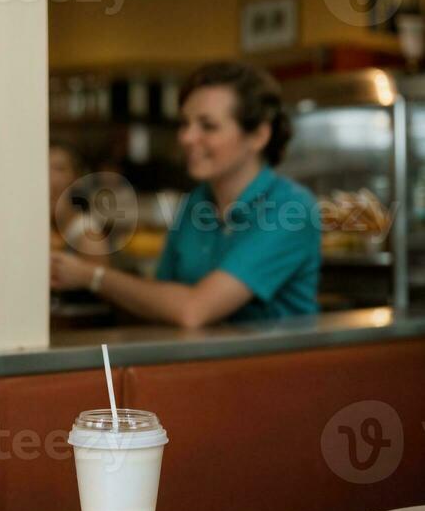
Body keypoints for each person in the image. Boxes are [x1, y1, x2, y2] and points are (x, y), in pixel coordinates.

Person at [51, 62, 320, 326]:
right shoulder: (196, 202)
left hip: (277, 367)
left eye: (207, 126)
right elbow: (157, 302)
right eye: (185, 123)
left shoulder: (291, 208)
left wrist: (93, 276)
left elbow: (193, 311)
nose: (186, 137)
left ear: (259, 135)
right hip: (203, 365)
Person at [49, 141, 111, 265]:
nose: (51, 175)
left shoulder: (89, 238)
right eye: (45, 167)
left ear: (76, 178)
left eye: (59, 169)